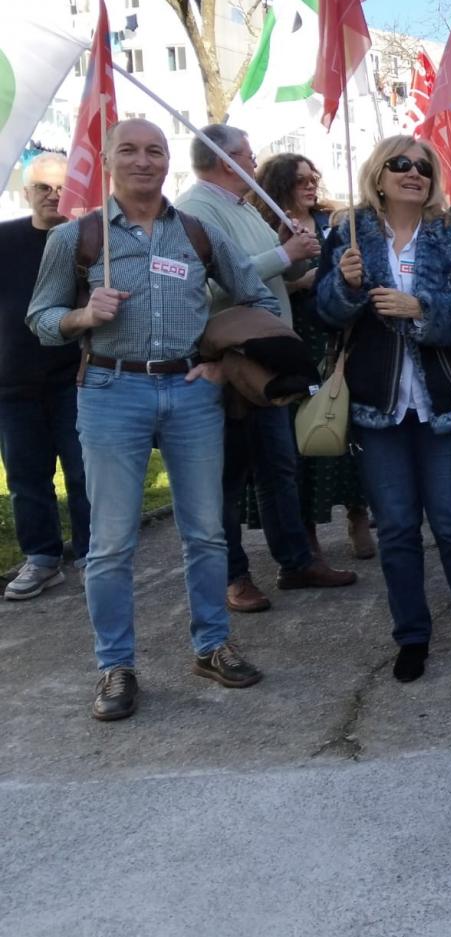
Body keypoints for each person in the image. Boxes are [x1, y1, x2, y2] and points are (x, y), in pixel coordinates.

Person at [27, 119, 271, 721]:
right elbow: (40, 316)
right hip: (110, 390)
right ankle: (116, 666)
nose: (143, 161)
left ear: (170, 162)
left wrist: (221, 364)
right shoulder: (77, 238)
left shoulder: (198, 232)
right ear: (108, 160)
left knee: (207, 533)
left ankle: (212, 646)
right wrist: (83, 317)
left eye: (154, 151)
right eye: (129, 150)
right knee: (110, 544)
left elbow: (259, 298)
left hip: (190, 393)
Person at [316, 135, 451, 682]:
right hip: (378, 409)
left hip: (441, 402)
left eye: (423, 167)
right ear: (379, 173)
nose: (414, 173)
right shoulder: (349, 235)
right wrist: (344, 286)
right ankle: (412, 637)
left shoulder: (450, 235)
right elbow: (327, 315)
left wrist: (423, 308)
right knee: (396, 528)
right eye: (401, 164)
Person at [176, 126, 357, 614]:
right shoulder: (194, 210)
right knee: (227, 477)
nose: (254, 166)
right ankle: (233, 576)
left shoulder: (240, 209)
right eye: (248, 158)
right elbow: (207, 287)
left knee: (280, 466)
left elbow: (279, 274)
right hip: (230, 365)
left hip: (267, 360)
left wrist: (297, 258)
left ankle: (296, 562)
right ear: (224, 161)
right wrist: (283, 254)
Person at [251, 153, 375, 561]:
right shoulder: (265, 227)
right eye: (300, 179)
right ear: (280, 183)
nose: (310, 185)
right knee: (301, 435)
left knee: (345, 427)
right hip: (289, 341)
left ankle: (359, 514)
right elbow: (251, 282)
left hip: (333, 338)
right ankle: (307, 532)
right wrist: (298, 283)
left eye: (313, 177)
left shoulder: (331, 222)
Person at [0, 153, 90, 601]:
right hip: (12, 384)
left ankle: (95, 557)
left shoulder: (88, 241)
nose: (54, 196)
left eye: (62, 188)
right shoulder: (5, 238)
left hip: (71, 379)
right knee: (26, 476)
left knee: (83, 470)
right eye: (43, 188)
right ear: (27, 193)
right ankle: (42, 559)